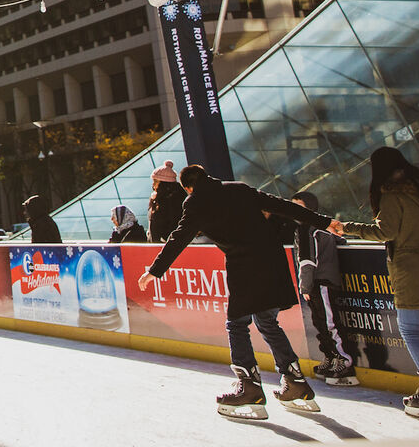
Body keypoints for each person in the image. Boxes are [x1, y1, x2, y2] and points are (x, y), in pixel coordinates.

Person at [137, 165, 342, 420]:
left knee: (236, 324)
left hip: (245, 267)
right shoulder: (240, 189)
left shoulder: (195, 202)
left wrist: (154, 271)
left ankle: (249, 388)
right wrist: (325, 221)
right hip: (273, 261)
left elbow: (179, 238)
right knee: (267, 322)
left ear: (187, 187)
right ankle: (295, 382)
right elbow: (283, 206)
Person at [342, 147, 419, 420]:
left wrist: (347, 227)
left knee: (410, 330)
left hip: (410, 270)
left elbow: (384, 232)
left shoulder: (392, 194)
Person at [286, 191, 357, 387]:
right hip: (321, 282)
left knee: (328, 322)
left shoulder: (306, 228)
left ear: (309, 208)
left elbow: (307, 261)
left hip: (321, 282)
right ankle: (331, 356)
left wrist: (305, 286)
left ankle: (344, 362)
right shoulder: (319, 225)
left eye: (298, 206)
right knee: (320, 321)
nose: (294, 211)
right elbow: (340, 241)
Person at [148, 160, 184, 242]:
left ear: (163, 184)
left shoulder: (169, 201)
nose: (153, 185)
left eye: (155, 181)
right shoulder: (159, 198)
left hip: (166, 242)